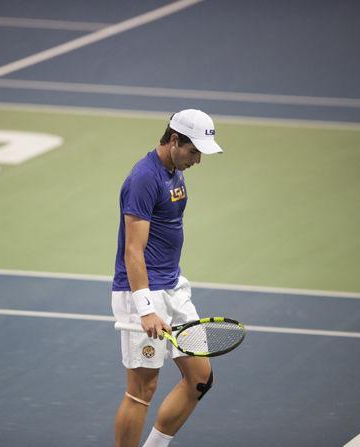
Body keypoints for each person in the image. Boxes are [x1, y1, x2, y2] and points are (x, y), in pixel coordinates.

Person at [111, 109, 224, 447]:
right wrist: (145, 307)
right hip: (144, 293)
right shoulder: (144, 178)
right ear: (174, 140)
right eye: (194, 151)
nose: (198, 160)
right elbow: (133, 250)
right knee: (141, 390)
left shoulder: (175, 170)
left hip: (173, 288)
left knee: (199, 379)